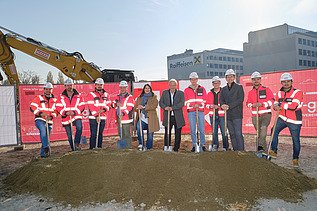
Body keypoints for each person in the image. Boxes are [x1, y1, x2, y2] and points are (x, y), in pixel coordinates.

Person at [269, 73, 303, 168]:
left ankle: (295, 158)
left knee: (295, 140)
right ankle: (274, 150)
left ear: (291, 82)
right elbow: (275, 104)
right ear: (281, 83)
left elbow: (293, 106)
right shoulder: (279, 93)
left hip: (294, 121)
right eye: (284, 82)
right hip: (282, 118)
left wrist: (281, 104)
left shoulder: (298, 92)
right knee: (273, 131)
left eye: (288, 81)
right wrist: (275, 106)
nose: (286, 83)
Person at [246, 71, 274, 152]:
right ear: (252, 81)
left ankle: (260, 146)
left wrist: (262, 104)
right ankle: (263, 152)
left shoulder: (266, 89)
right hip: (255, 116)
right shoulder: (251, 92)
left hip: (266, 115)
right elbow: (247, 103)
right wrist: (252, 105)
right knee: (259, 134)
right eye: (254, 79)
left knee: (263, 128)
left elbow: (272, 100)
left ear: (260, 80)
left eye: (257, 79)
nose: (256, 81)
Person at [56, 79, 85, 151]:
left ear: (73, 85)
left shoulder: (78, 95)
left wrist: (74, 112)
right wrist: (65, 113)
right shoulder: (61, 96)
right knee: (69, 135)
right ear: (65, 86)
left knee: (79, 128)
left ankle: (77, 143)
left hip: (76, 115)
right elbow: (58, 107)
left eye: (71, 85)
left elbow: (82, 106)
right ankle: (73, 148)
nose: (69, 87)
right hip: (66, 117)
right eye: (68, 85)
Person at [30, 82, 57, 157]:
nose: (48, 90)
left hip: (49, 120)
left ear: (52, 90)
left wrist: (51, 116)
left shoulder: (55, 100)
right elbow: (32, 107)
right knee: (43, 131)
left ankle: (43, 154)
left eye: (50, 89)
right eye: (47, 89)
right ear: (44, 90)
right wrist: (41, 114)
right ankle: (46, 147)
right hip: (40, 119)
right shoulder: (39, 98)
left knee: (46, 138)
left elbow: (56, 111)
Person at [220, 69, 245, 151]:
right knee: (232, 134)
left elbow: (240, 99)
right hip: (228, 115)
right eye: (228, 77)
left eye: (231, 76)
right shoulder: (223, 89)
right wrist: (222, 105)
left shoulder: (239, 87)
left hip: (237, 114)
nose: (229, 78)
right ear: (225, 78)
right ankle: (235, 150)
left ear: (234, 77)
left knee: (238, 133)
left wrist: (229, 106)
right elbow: (221, 100)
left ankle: (241, 151)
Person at [159, 79, 185, 152]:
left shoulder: (180, 93)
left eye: (174, 85)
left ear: (176, 85)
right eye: (171, 85)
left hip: (178, 117)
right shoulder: (164, 93)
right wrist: (165, 107)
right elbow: (161, 102)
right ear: (169, 85)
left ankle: (176, 148)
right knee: (167, 132)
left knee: (178, 133)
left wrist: (172, 108)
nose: (172, 86)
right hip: (168, 116)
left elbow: (181, 103)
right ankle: (167, 146)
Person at [184, 72, 207, 152]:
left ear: (197, 79)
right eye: (192, 79)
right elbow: (185, 102)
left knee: (201, 129)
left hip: (200, 111)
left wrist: (199, 105)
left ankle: (203, 144)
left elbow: (204, 100)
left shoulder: (202, 88)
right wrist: (192, 105)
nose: (194, 81)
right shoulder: (186, 90)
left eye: (195, 79)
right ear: (190, 80)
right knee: (193, 129)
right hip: (191, 112)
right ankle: (194, 144)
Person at [86, 78, 111, 149]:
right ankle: (92, 148)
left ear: (103, 85)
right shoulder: (91, 94)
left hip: (103, 117)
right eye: (98, 85)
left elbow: (108, 104)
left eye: (101, 85)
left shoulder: (106, 95)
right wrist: (96, 115)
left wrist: (104, 110)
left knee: (100, 134)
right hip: (93, 118)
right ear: (95, 85)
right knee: (94, 134)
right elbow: (91, 106)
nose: (99, 86)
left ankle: (99, 147)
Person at [206, 76, 228, 151]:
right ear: (212, 84)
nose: (216, 84)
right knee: (214, 132)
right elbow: (207, 105)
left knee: (224, 131)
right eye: (214, 83)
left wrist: (218, 106)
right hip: (213, 116)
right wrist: (211, 106)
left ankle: (225, 146)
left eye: (217, 82)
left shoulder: (224, 92)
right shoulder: (209, 93)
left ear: (220, 83)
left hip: (222, 115)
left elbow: (226, 103)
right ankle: (215, 145)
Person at [134, 84, 159, 150]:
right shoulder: (139, 97)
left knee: (150, 134)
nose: (147, 89)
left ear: (150, 89)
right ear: (143, 89)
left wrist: (144, 107)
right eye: (146, 88)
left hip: (151, 118)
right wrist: (137, 107)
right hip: (142, 118)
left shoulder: (154, 97)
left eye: (148, 88)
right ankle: (141, 144)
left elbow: (154, 106)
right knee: (139, 128)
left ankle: (149, 147)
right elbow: (135, 108)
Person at [112, 80, 134, 149]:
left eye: (124, 87)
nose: (122, 89)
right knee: (121, 134)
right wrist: (116, 104)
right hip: (119, 119)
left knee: (127, 134)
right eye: (121, 87)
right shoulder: (117, 97)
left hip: (126, 119)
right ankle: (123, 148)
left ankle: (128, 148)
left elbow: (129, 107)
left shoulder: (129, 97)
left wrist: (123, 113)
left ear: (127, 88)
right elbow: (112, 105)